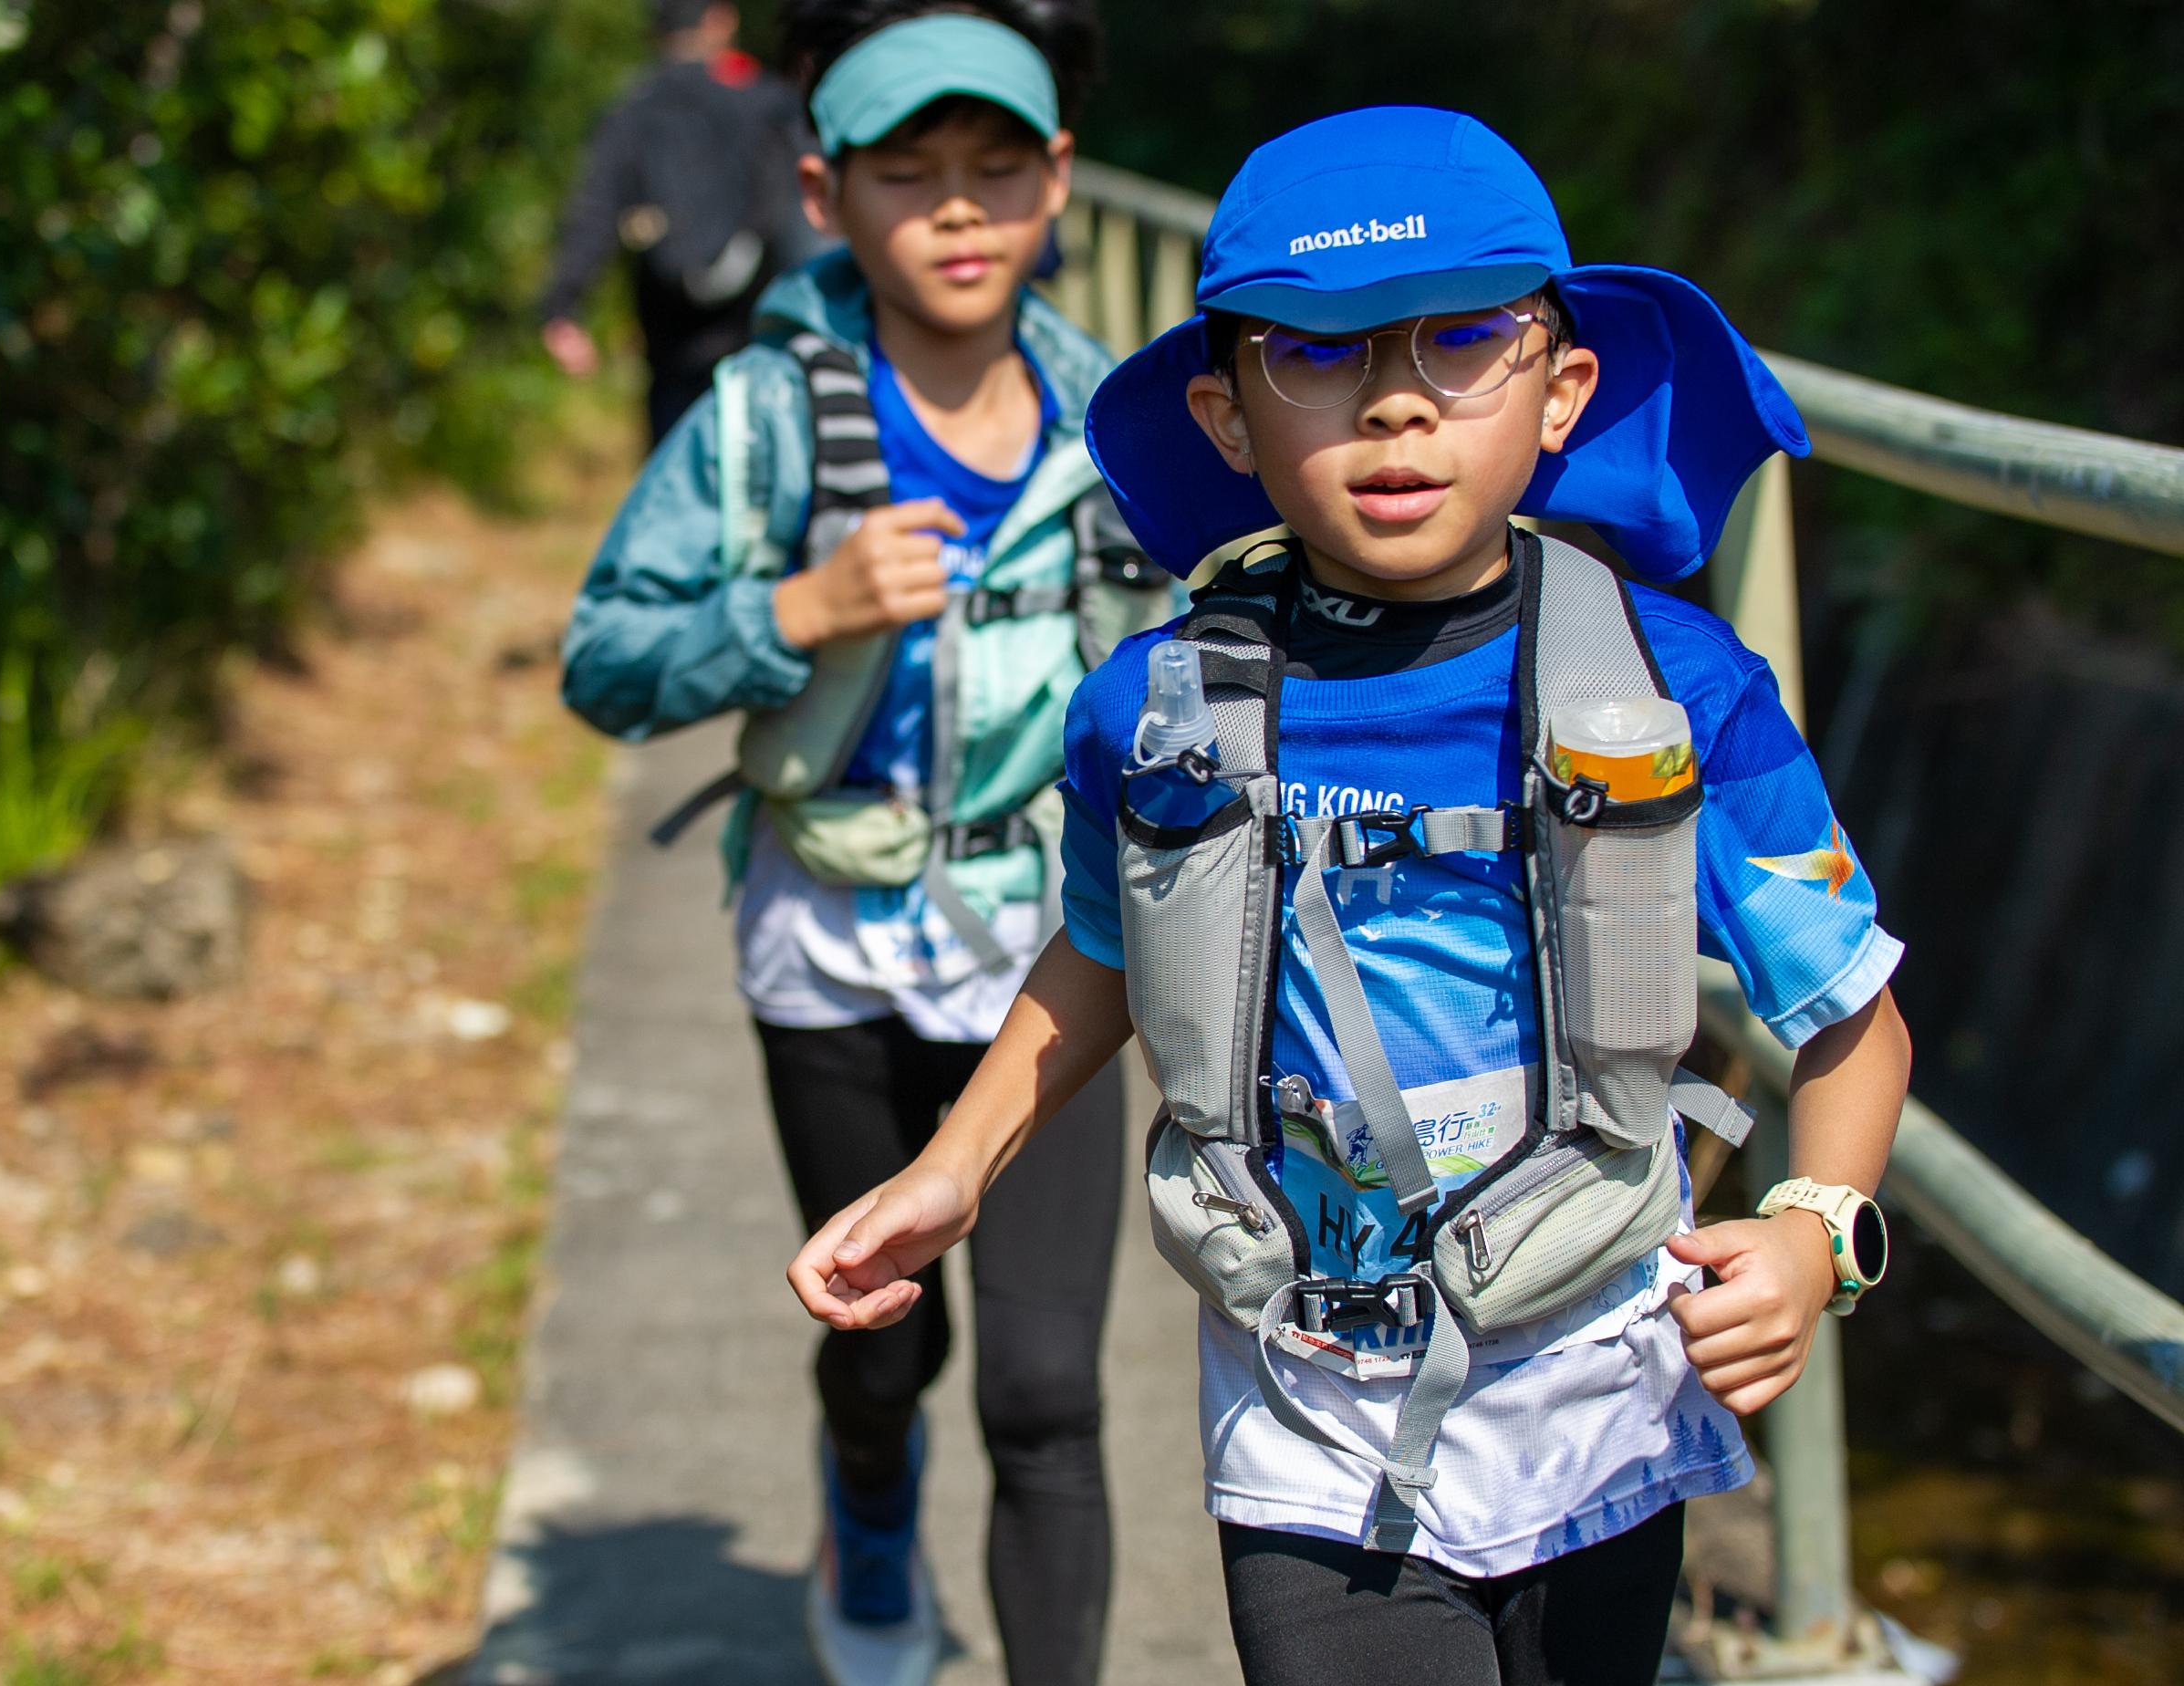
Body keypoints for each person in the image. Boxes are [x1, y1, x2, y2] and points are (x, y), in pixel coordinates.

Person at [787, 107, 1915, 1685]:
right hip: (1303, 1387)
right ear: (1223, 412)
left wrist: (1811, 1232)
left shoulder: (1671, 689)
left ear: (1559, 384)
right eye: (1309, 356)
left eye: (1462, 339)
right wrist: (954, 1164)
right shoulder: (1152, 707)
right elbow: (1105, 950)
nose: (1393, 402)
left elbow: (1850, 1019)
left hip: (1596, 1366)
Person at [561, 4, 1170, 1681]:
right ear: (826, 196)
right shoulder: (762, 418)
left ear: (1057, 179)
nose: (959, 211)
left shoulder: (1121, 422)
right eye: (912, 175)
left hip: (1049, 953)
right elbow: (603, 657)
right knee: (881, 1348)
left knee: (1046, 1390)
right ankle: (871, 1511)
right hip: (821, 936)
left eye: (997, 169)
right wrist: (790, 610)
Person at [540, 0, 816, 445]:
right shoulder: (767, 103)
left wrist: (563, 308)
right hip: (757, 324)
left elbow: (595, 209)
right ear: (720, 20)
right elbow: (804, 214)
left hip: (670, 334)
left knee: (674, 462)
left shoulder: (634, 107)